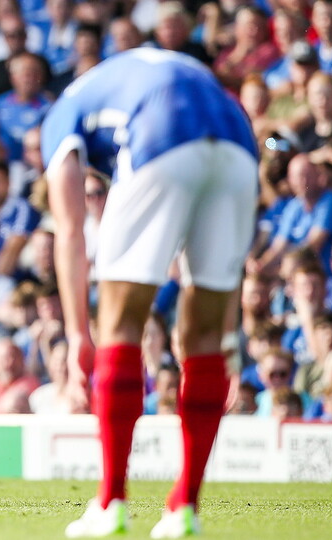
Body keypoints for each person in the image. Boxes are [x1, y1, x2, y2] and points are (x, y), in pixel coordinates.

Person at [43, 49, 258, 538]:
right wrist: (226, 333)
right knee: (202, 337)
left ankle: (110, 502)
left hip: (161, 128)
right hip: (237, 134)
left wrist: (78, 333)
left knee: (120, 324)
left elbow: (71, 232)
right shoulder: (131, 74)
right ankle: (184, 508)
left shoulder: (61, 116)